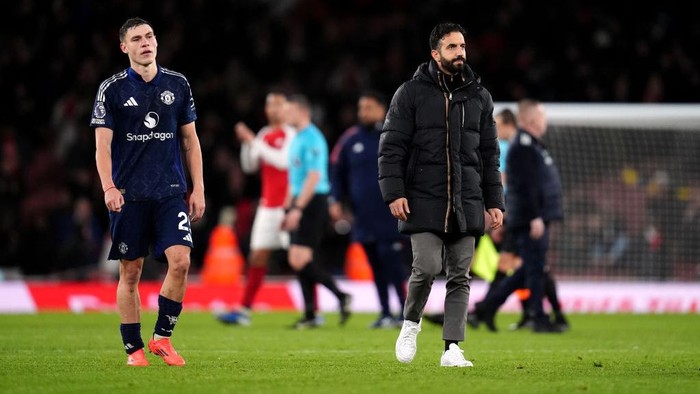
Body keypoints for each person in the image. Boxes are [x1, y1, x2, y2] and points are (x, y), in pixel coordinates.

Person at [378, 23, 504, 367]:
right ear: (435, 54)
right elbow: (391, 148)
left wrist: (495, 202)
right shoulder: (410, 93)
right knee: (427, 267)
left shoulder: (479, 96)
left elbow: (490, 155)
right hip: (423, 198)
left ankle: (452, 349)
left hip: (467, 200)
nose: (460, 52)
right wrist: (394, 193)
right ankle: (410, 323)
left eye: (462, 45)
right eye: (452, 47)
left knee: (461, 275)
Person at [91, 17, 205, 367]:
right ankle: (133, 350)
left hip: (171, 191)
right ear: (124, 47)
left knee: (182, 261)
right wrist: (108, 186)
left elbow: (190, 140)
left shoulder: (178, 84)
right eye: (137, 38)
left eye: (151, 36)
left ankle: (162, 338)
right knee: (131, 272)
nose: (146, 43)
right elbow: (102, 147)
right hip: (129, 194)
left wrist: (198, 187)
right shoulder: (111, 90)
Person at [470, 99, 566, 333]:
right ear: (533, 120)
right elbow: (524, 186)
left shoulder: (529, 144)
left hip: (530, 216)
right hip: (528, 217)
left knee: (530, 268)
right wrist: (533, 216)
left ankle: (488, 308)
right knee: (531, 268)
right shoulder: (522, 146)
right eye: (542, 118)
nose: (545, 122)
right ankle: (538, 316)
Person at [329, 91, 408, 329]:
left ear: (382, 110)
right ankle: (385, 312)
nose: (364, 112)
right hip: (363, 217)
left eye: (370, 108)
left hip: (390, 215)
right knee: (375, 266)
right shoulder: (349, 140)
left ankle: (407, 313)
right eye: (361, 108)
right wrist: (335, 200)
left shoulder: (394, 136)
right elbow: (336, 172)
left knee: (393, 264)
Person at [217, 92, 295, 326]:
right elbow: (249, 165)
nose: (273, 109)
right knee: (257, 256)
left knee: (300, 258)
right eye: (270, 105)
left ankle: (322, 304)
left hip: (288, 206)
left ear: (287, 109)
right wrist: (246, 144)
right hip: (267, 206)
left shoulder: (291, 135)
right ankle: (244, 310)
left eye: (279, 105)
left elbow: (283, 161)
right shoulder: (264, 134)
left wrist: (253, 141)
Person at [282, 94, 352, 329]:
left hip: (313, 202)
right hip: (300, 202)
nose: (285, 114)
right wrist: (288, 205)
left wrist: (298, 208)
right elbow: (296, 177)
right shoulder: (298, 138)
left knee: (298, 259)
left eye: (289, 110)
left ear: (302, 111)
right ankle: (311, 314)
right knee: (302, 260)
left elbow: (314, 177)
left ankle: (340, 295)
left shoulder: (313, 138)